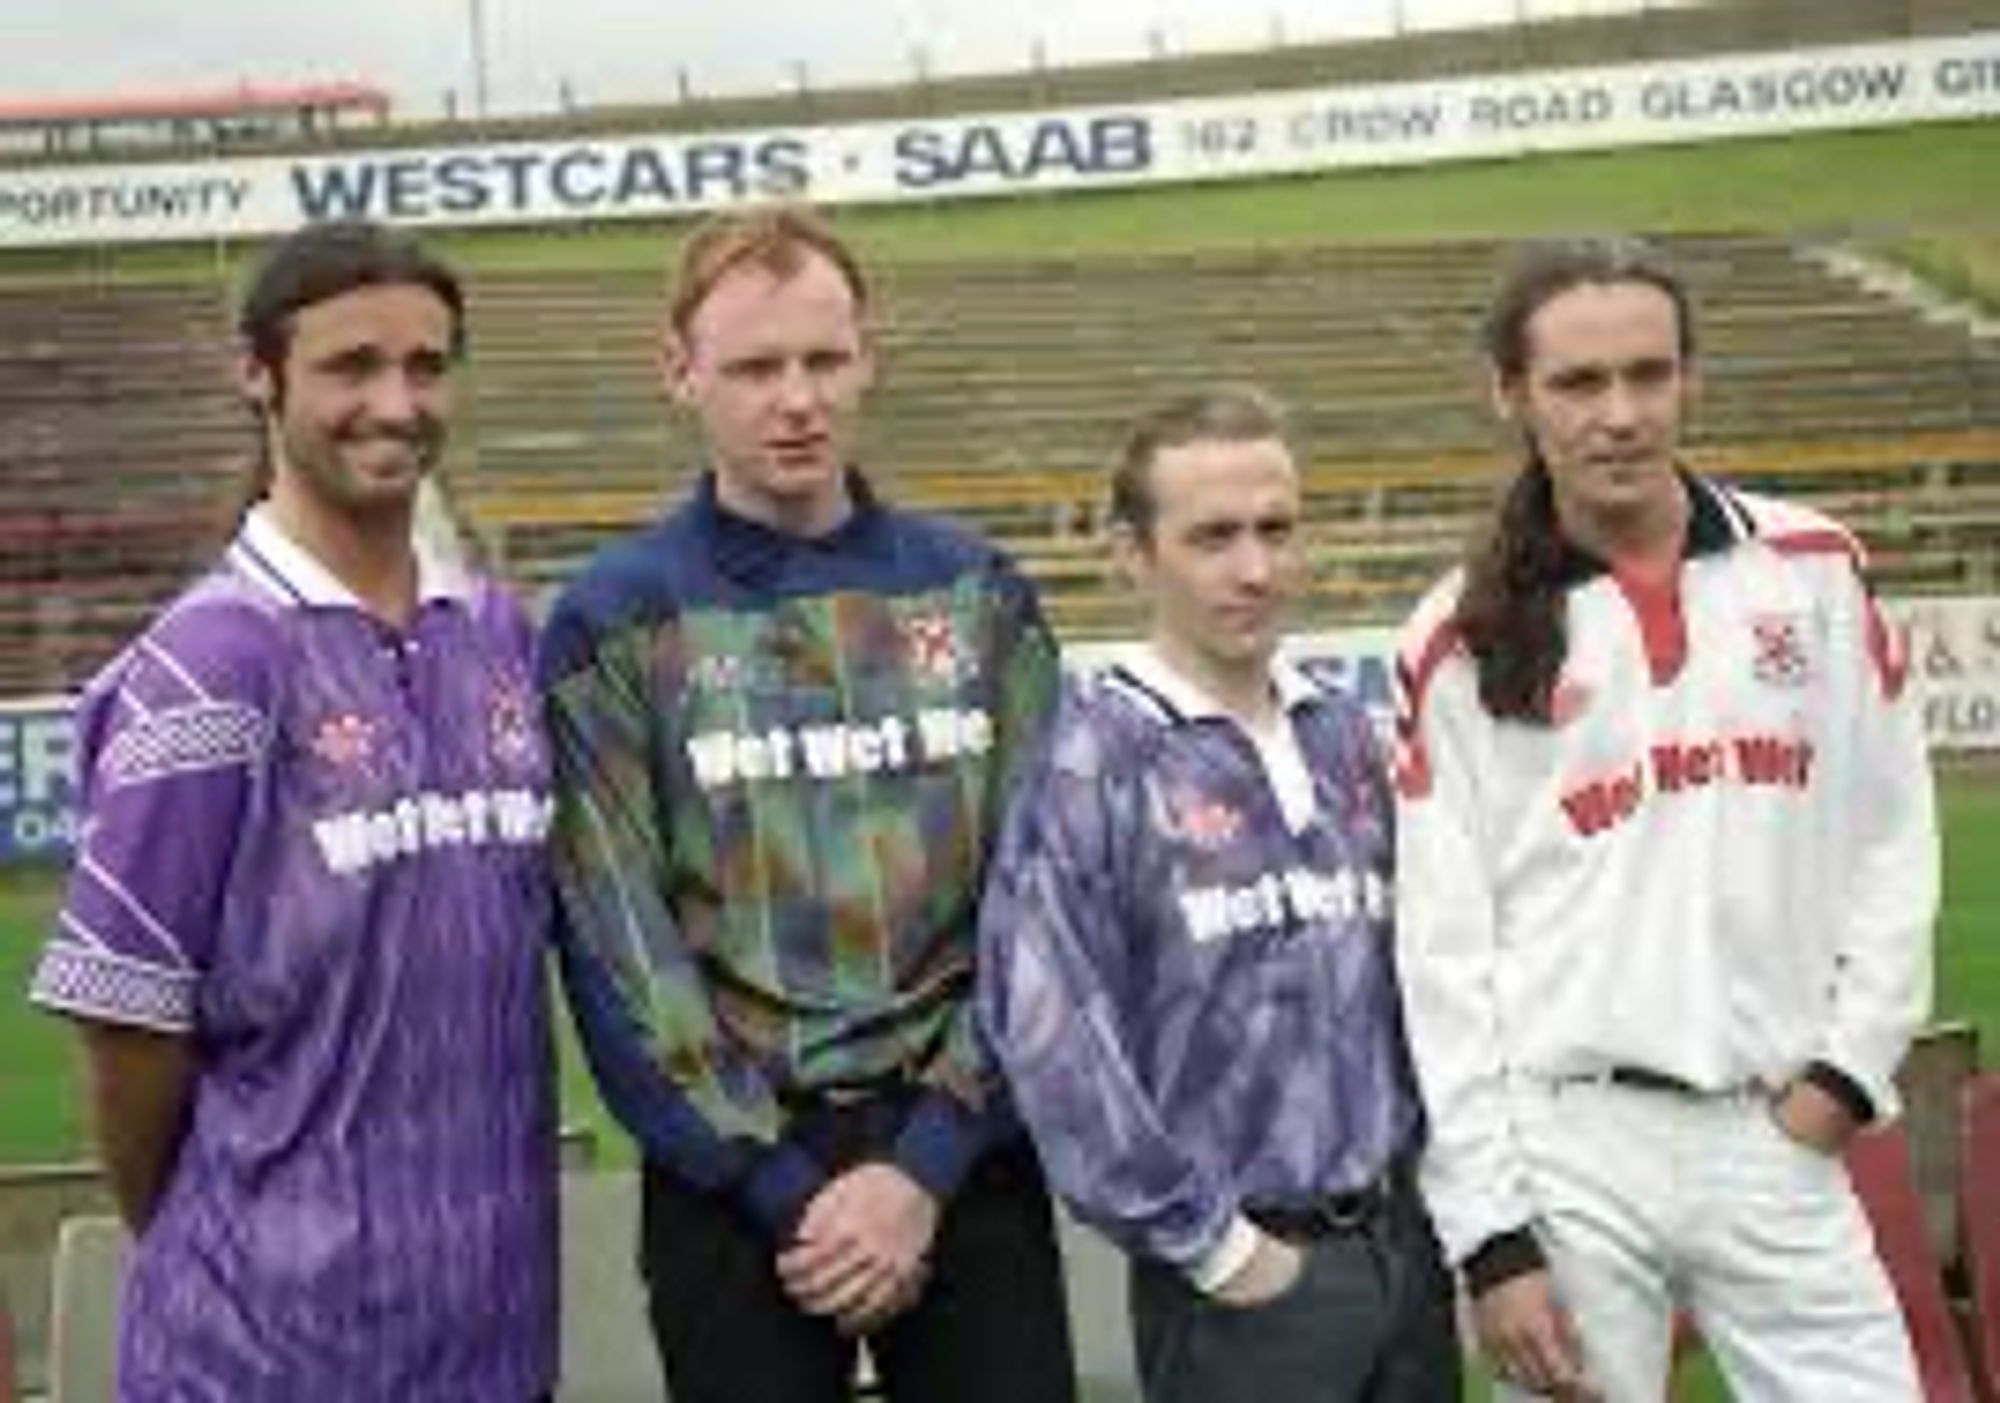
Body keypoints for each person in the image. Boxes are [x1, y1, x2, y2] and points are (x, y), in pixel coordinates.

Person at [539, 204, 1077, 1403]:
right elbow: (616, 945)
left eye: (823, 360)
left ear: (866, 358)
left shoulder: (977, 593)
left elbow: (1045, 913)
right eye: (754, 366)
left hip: (966, 1161)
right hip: (733, 1188)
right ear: (678, 372)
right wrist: (782, 1186)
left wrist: (925, 1163)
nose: (796, 398)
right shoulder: (614, 620)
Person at [1391, 236, 1936, 1401]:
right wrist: (1491, 1234)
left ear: (1691, 376)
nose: (1619, 414)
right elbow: (1440, 959)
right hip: (1567, 1149)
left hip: (1776, 1130)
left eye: (1647, 374)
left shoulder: (1812, 572)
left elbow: (1889, 840)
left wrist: (1846, 1072)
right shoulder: (1457, 636)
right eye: (1578, 384)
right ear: (1509, 395)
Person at [27, 219, 558, 1399]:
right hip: (262, 1352)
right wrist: (234, 1234)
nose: (396, 401)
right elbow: (125, 1027)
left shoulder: (500, 638)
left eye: (425, 366)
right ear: (258, 376)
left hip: (493, 1337)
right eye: (350, 366)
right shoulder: (209, 663)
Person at [979, 387, 1460, 1403]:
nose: (1253, 568)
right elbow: (1048, 1031)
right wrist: (1211, 1246)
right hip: (1244, 1277)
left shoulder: (1342, 735)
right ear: (1132, 553)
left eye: (1275, 530)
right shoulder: (1089, 756)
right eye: (1211, 537)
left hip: (1401, 1247)